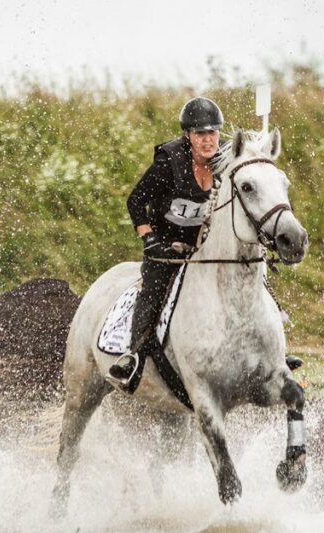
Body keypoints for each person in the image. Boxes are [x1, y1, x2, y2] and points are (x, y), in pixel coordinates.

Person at [107, 97, 223, 386]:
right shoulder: (169, 163)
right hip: (166, 247)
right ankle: (133, 356)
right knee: (154, 287)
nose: (208, 140)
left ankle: (271, 353)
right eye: (200, 134)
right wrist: (148, 238)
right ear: (187, 136)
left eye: (212, 133)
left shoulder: (225, 162)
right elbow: (135, 201)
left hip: (204, 247)